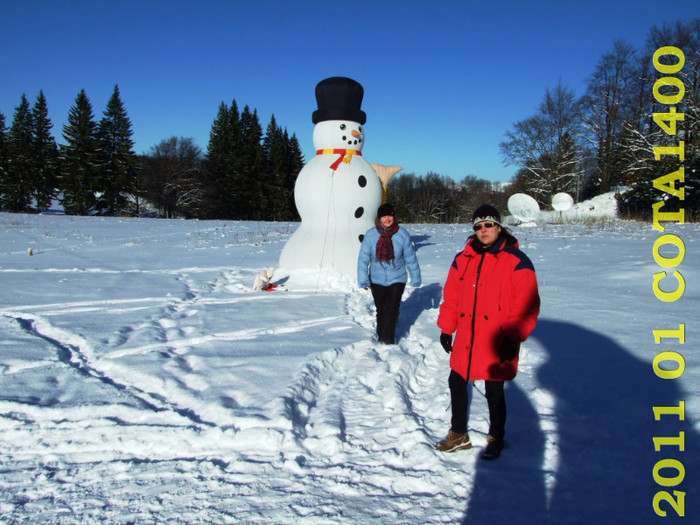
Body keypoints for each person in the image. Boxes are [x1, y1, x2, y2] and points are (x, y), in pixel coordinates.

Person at [435, 204, 540, 460]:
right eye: (478, 226)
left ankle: (496, 437)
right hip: (467, 336)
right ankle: (459, 434)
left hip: (497, 339)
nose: (484, 230)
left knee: (494, 390)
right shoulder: (463, 259)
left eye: (489, 225)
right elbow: (452, 297)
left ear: (499, 226)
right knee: (456, 380)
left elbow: (527, 305)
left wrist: (513, 337)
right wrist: (447, 328)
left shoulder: (517, 261)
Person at [358, 203, 421, 344]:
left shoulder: (402, 234)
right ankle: (381, 334)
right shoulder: (371, 235)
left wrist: (415, 277)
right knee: (381, 309)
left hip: (397, 278)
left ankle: (387, 341)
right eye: (384, 216)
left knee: (392, 309)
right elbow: (363, 258)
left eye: (390, 216)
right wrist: (363, 279)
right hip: (377, 278)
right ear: (379, 219)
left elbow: (410, 258)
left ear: (394, 217)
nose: (387, 219)